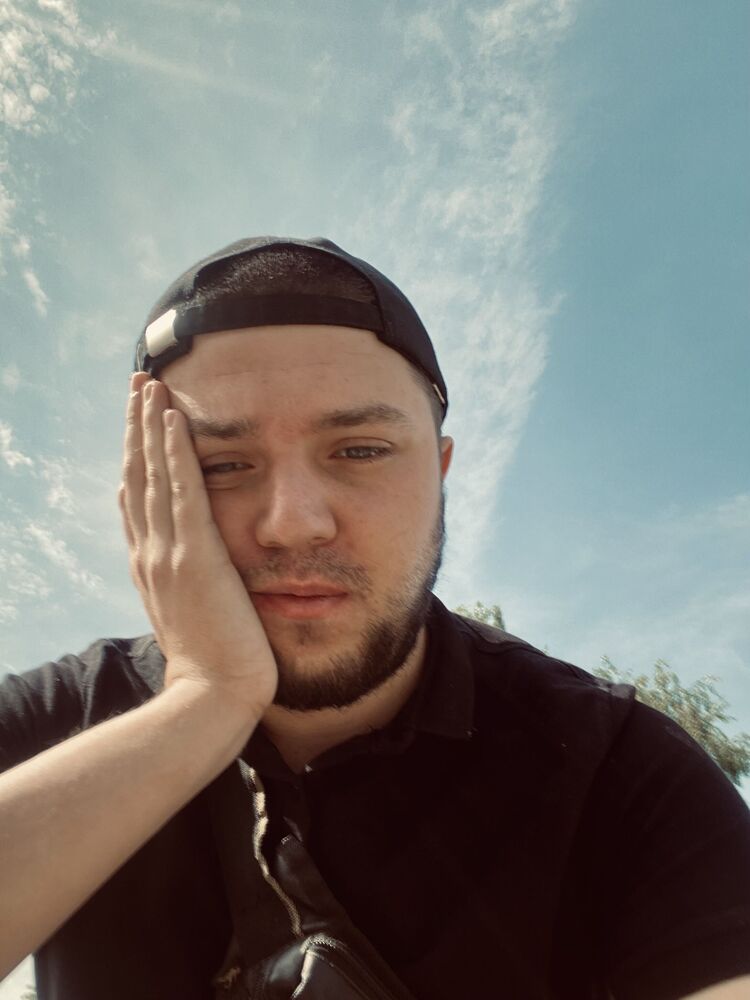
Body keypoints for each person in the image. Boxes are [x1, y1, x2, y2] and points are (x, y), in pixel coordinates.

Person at [1, 236, 749, 1000]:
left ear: (441, 473)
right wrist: (206, 699)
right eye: (223, 465)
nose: (293, 524)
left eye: (359, 451)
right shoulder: (61, 720)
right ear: (149, 484)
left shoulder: (618, 772)